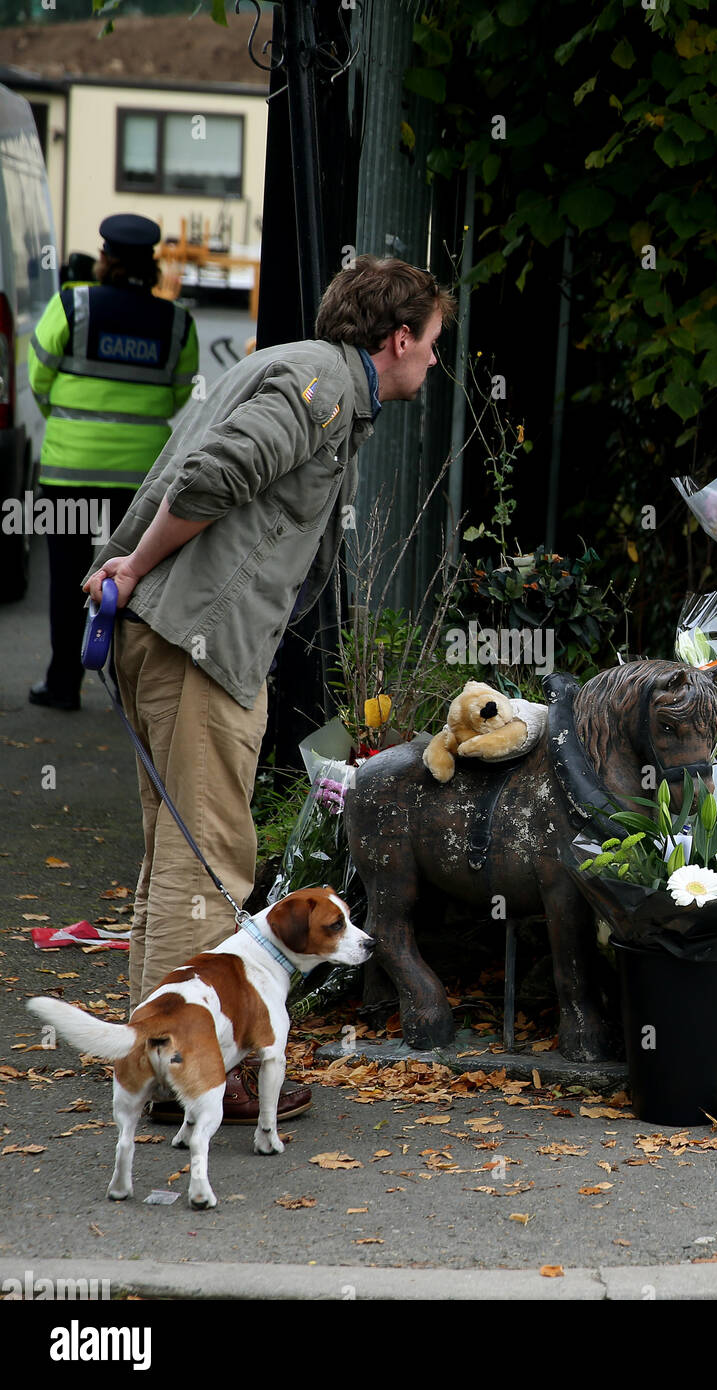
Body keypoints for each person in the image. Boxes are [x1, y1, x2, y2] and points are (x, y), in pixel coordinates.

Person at [84, 255, 456, 1122]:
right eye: (432, 344)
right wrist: (134, 567)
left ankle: (150, 1054)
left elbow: (196, 468)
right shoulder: (320, 388)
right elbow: (213, 477)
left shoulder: (289, 368)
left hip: (171, 636)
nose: (435, 362)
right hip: (197, 647)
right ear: (397, 339)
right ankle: (185, 1073)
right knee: (207, 858)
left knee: (169, 855)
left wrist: (129, 577)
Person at [28, 214, 198, 711]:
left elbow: (39, 375)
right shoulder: (177, 322)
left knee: (66, 578)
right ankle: (134, 694)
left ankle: (63, 685)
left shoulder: (72, 304)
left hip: (69, 473)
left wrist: (65, 418)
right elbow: (176, 397)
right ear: (151, 265)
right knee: (135, 578)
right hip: (141, 480)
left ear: (104, 258)